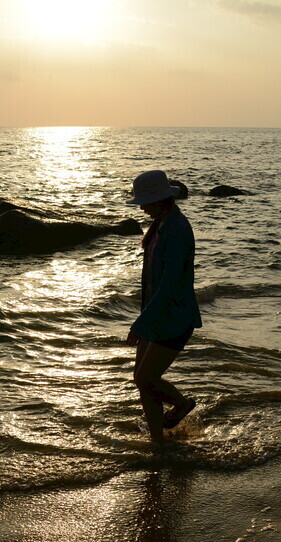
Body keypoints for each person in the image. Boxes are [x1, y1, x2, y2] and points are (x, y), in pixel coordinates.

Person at [124, 170, 202, 442]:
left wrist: (140, 323)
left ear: (159, 201)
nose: (142, 208)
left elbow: (169, 285)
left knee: (146, 378)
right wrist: (145, 317)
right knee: (143, 381)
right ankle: (158, 442)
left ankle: (181, 405)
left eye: (144, 202)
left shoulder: (178, 229)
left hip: (175, 316)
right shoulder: (161, 222)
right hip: (156, 314)